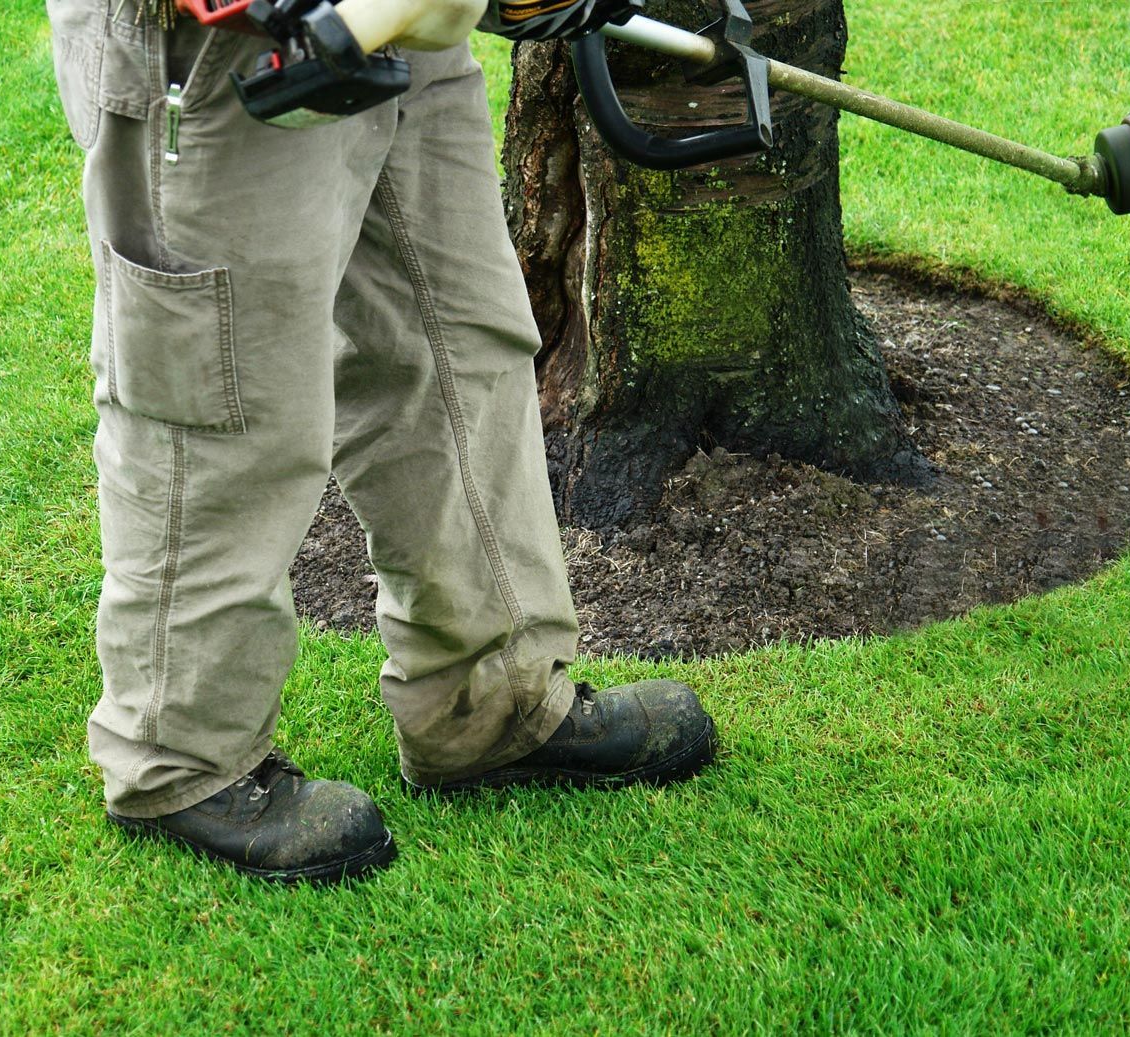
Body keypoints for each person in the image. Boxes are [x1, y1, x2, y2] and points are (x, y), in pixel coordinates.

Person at [45, 0, 717, 884]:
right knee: (217, 396)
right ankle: (182, 759)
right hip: (229, 43)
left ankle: (484, 702)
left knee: (452, 346)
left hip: (397, 31)